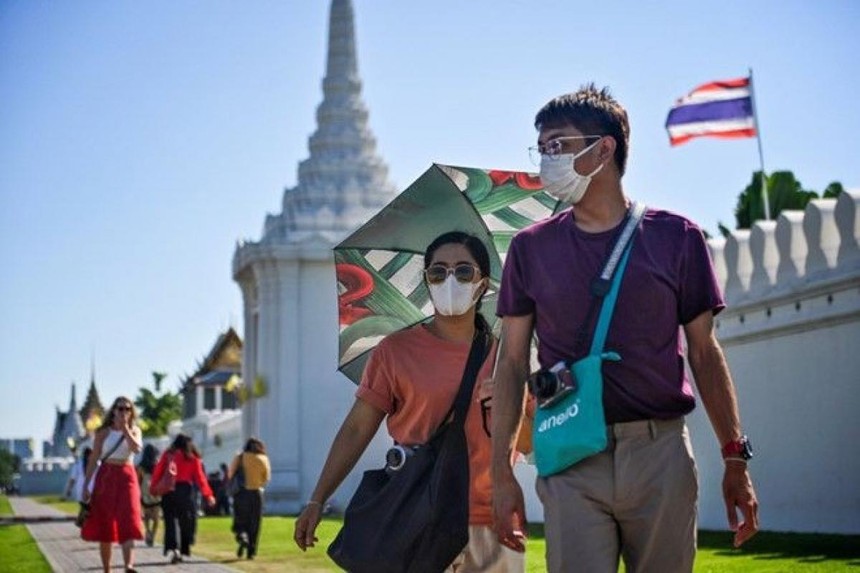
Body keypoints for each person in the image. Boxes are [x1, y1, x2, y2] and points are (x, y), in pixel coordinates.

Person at [490, 84, 760, 573]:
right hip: (572, 452)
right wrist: (500, 472)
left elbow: (704, 353)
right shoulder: (530, 249)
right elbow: (510, 363)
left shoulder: (677, 238)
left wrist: (734, 457)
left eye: (559, 145)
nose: (546, 160)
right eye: (542, 147)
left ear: (604, 148)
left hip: (660, 453)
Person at [294, 231, 525, 572]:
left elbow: (533, 441)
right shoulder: (395, 351)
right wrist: (318, 498)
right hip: (418, 514)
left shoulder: (508, 358)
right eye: (438, 272)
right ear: (427, 281)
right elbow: (358, 428)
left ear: (483, 284)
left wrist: (508, 402)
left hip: (492, 519)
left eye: (463, 272)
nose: (450, 280)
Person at [80, 397, 144, 573]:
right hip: (106, 476)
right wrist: (86, 485)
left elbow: (136, 449)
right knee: (105, 524)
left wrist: (125, 429)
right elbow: (94, 459)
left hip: (127, 475)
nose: (124, 412)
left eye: (127, 409)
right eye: (120, 408)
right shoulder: (103, 432)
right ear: (113, 410)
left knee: (129, 519)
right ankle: (107, 569)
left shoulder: (135, 430)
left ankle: (128, 565)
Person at [150, 433, 215, 564]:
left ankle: (174, 548)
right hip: (185, 491)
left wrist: (154, 488)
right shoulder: (192, 457)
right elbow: (200, 478)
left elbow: (158, 471)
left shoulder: (168, 454)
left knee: (170, 522)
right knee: (186, 521)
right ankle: (184, 546)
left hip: (169, 491)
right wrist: (208, 495)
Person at [229, 437, 271, 559]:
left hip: (241, 493)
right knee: (255, 523)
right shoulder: (263, 458)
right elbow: (266, 478)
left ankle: (242, 537)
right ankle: (251, 552)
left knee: (240, 521)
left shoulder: (240, 457)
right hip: (256, 494)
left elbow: (231, 473)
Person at [136, 444, 161, 547]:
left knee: (146, 515)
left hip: (145, 493)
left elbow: (138, 480)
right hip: (156, 493)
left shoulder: (141, 466)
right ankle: (153, 535)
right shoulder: (158, 464)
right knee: (156, 517)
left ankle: (147, 531)